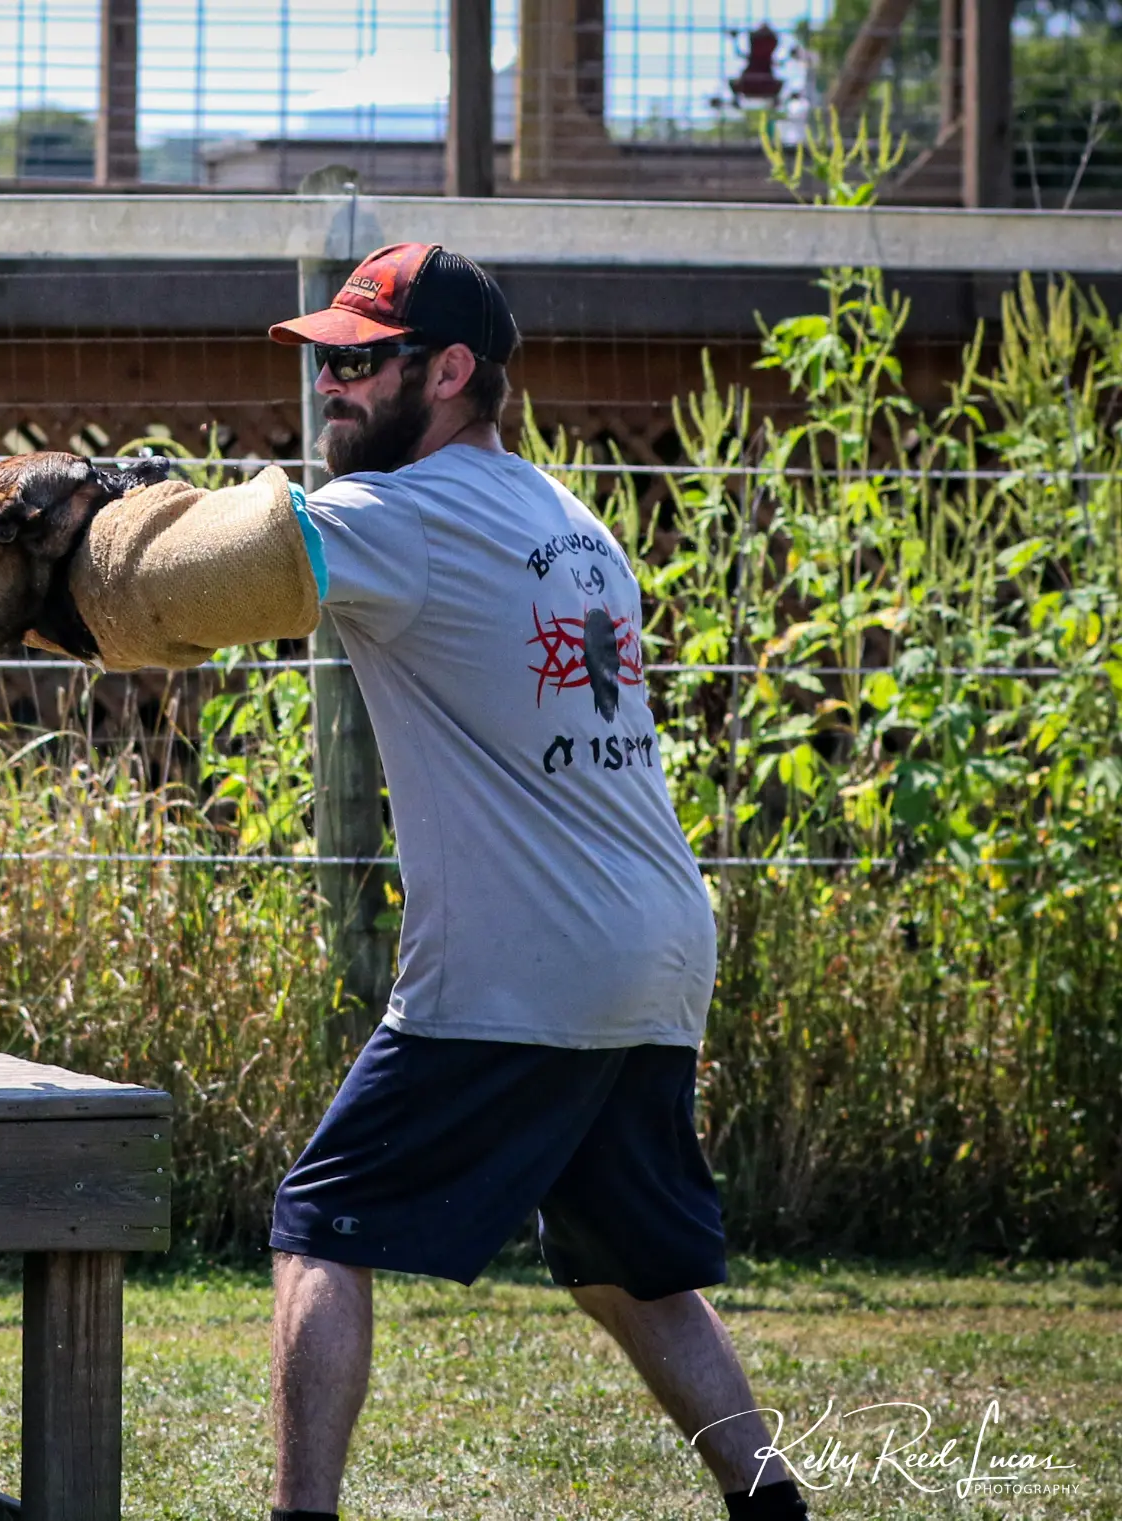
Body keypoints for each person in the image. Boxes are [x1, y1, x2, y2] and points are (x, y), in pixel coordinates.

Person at [256, 245, 808, 1521]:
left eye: (356, 360)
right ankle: (767, 1501)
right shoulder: (564, 517)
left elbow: (203, 584)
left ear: (448, 372)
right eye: (321, 361)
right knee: (630, 1265)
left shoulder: (403, 519)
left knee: (320, 1227)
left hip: (525, 963)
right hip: (655, 944)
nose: (328, 386)